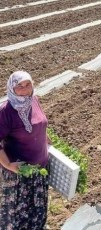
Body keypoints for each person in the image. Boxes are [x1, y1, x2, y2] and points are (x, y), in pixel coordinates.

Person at [0, 71, 49, 229]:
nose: (24, 89)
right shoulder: (5, 111)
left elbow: (40, 121)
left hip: (39, 169)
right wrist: (8, 165)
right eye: (19, 86)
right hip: (19, 173)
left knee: (37, 210)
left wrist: (44, 136)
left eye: (28, 84)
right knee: (16, 214)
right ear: (11, 88)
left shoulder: (33, 100)